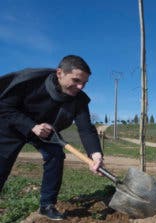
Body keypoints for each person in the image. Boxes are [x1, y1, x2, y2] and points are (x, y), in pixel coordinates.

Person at [0, 55, 104, 220]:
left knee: (55, 155)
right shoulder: (31, 82)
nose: (80, 86)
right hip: (13, 126)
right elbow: (5, 106)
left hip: (46, 132)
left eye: (84, 83)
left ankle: (47, 205)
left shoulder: (79, 100)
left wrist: (96, 155)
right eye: (76, 80)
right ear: (60, 73)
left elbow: (86, 129)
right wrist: (31, 126)